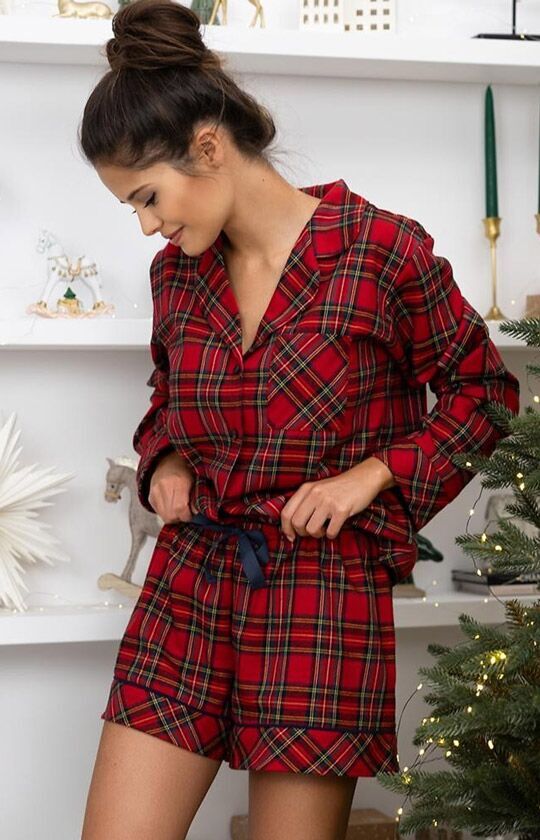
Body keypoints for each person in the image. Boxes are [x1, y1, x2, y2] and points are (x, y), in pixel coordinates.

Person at [78, 1, 521, 838]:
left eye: (148, 196)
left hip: (323, 594)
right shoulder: (177, 276)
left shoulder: (382, 252)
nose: (147, 224)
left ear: (209, 147)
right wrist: (167, 460)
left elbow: (484, 393)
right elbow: (167, 400)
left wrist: (372, 476)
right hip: (191, 579)